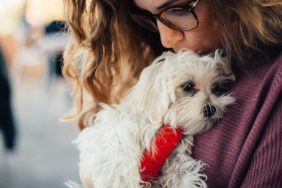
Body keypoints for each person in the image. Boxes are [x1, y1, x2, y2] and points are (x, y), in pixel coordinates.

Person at [63, 0, 282, 187]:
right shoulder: (147, 66)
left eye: (179, 9)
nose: (165, 39)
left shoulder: (272, 88)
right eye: (147, 15)